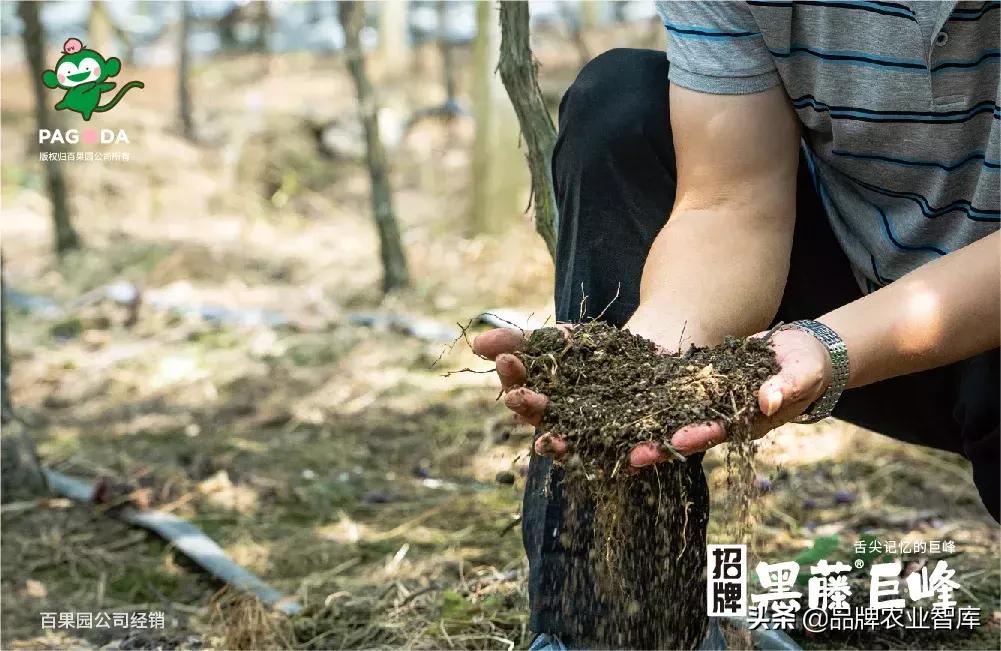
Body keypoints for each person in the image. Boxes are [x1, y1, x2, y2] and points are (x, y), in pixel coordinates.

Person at [473, 1, 1000, 648]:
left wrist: (835, 346)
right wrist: (641, 363)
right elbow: (729, 201)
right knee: (623, 110)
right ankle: (619, 630)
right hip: (858, 291)